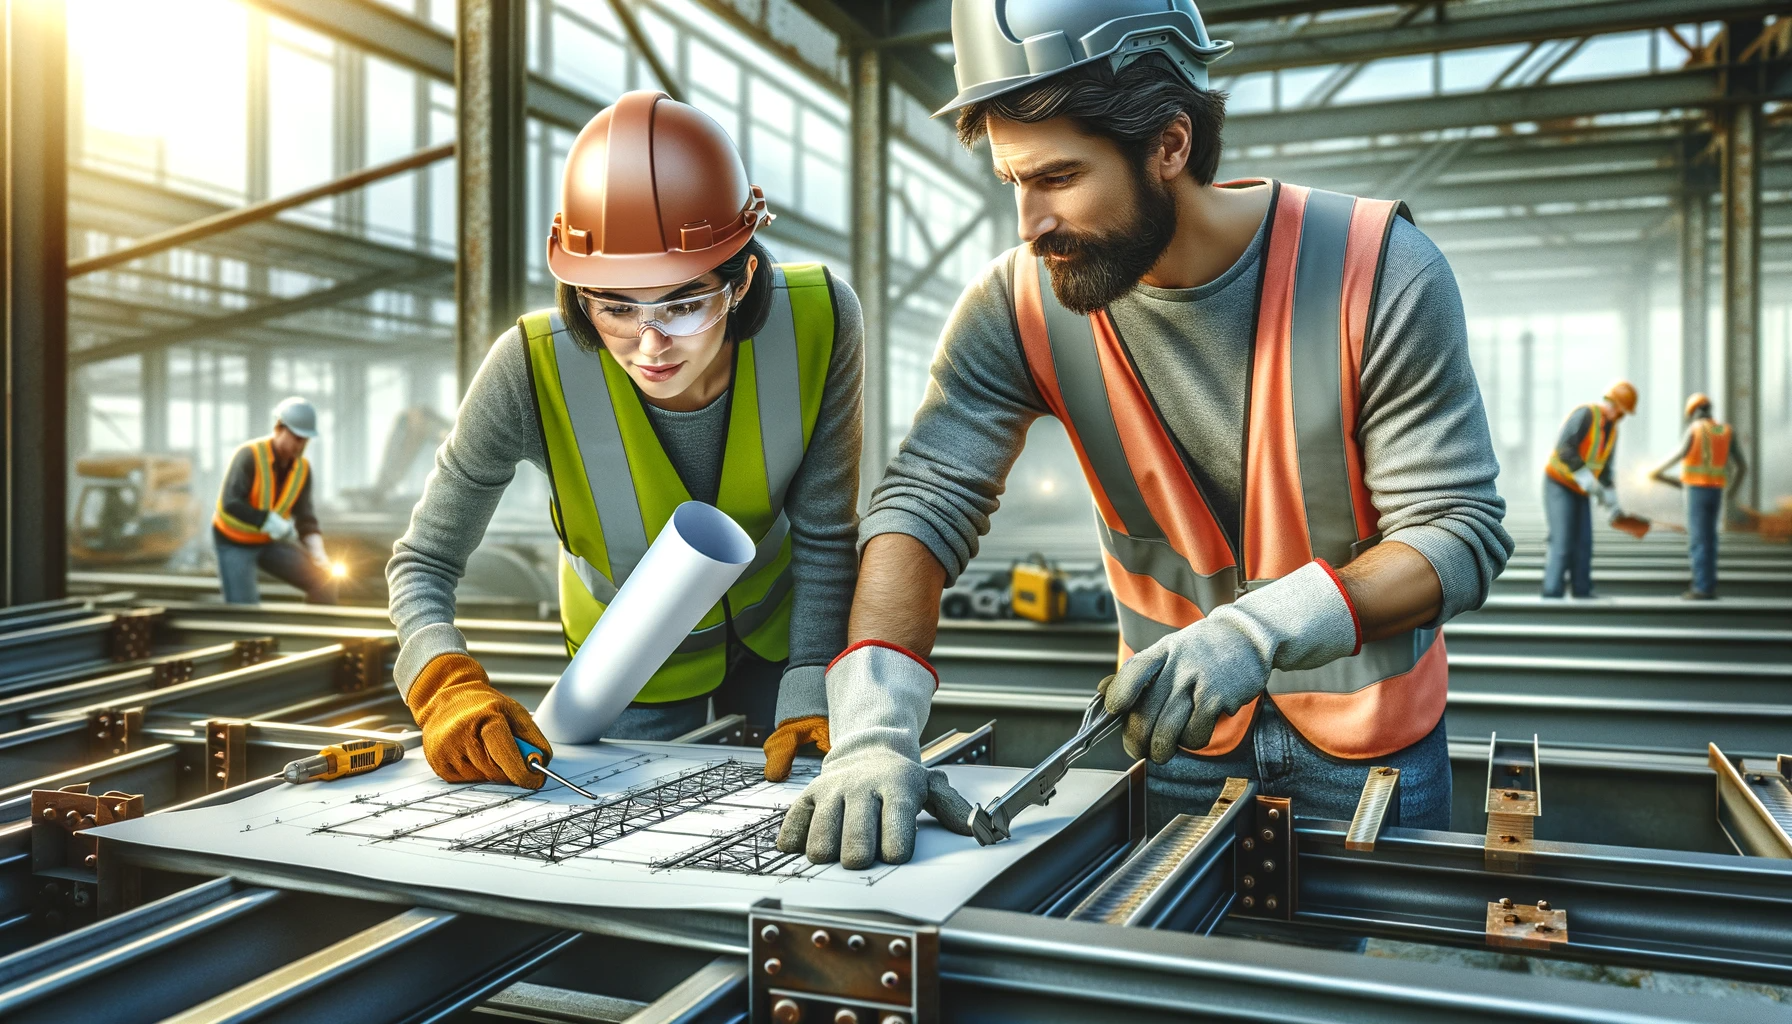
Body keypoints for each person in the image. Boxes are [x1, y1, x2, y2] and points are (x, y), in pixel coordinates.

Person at [776, 0, 1512, 871]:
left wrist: (1255, 633)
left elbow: (1457, 533)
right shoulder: (1016, 307)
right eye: (1014, 182)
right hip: (1175, 748)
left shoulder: (1378, 270)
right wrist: (874, 725)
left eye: (1057, 177)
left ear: (1169, 145)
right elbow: (925, 503)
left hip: (1373, 751)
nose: (1028, 223)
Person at [386, 91, 862, 791]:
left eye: (683, 302)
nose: (650, 346)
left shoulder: (819, 322)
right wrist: (444, 683)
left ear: (742, 279)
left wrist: (811, 686)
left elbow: (826, 534)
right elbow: (422, 561)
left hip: (782, 639)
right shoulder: (529, 369)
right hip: (623, 667)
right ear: (579, 293)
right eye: (614, 306)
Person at [212, 396, 338, 605]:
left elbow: (305, 515)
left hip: (268, 541)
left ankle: (316, 633)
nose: (301, 445)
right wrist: (268, 520)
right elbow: (230, 502)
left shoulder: (302, 470)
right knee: (244, 609)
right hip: (234, 541)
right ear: (279, 428)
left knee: (324, 580)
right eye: (297, 438)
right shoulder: (249, 455)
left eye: (305, 440)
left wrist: (317, 550)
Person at [1541, 381, 1637, 599]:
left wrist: (1612, 501)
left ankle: (1582, 590)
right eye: (1619, 408)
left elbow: (1604, 469)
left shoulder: (1612, 430)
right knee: (1562, 540)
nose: (1619, 414)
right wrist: (1585, 477)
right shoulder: (1586, 415)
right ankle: (1552, 593)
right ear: (1612, 402)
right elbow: (1564, 448)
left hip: (1581, 489)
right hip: (1559, 483)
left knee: (1583, 542)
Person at [1650, 393, 1747, 600]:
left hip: (1696, 491)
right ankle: (1708, 584)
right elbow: (1742, 467)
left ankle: (1702, 588)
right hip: (1716, 491)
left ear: (1693, 412)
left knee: (1698, 540)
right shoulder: (1726, 431)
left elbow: (1679, 454)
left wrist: (1654, 471)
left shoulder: (1695, 429)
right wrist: (1732, 492)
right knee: (1710, 538)